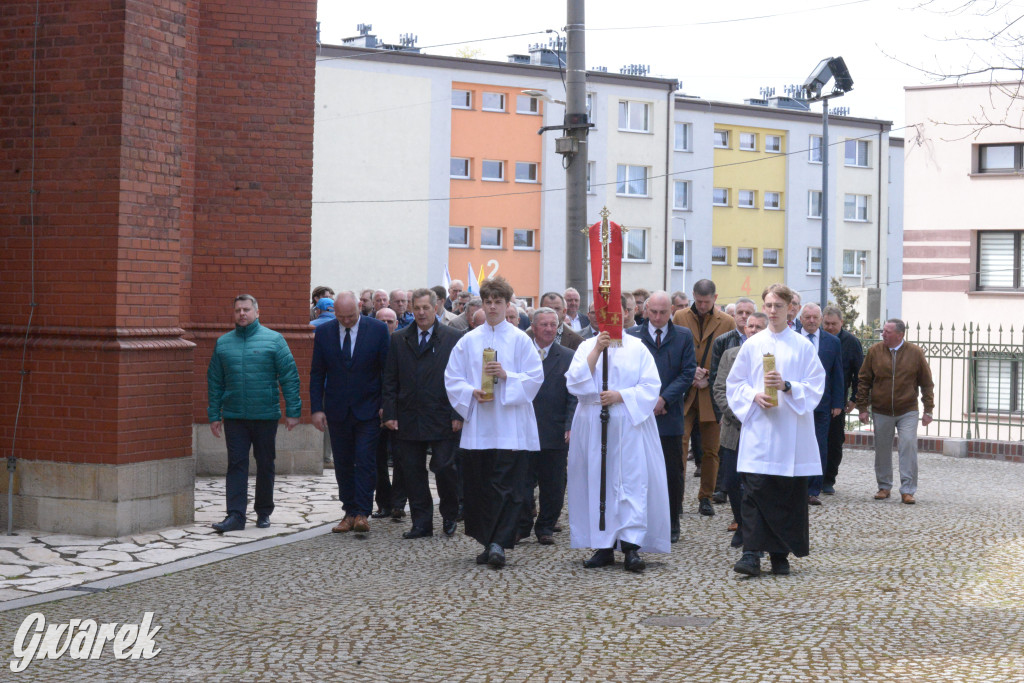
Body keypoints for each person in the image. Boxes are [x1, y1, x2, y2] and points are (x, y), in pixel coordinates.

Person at [444, 276, 544, 569]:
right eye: (487, 302)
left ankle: (500, 541)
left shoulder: (520, 339)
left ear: (507, 304)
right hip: (480, 426)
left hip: (510, 426)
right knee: (479, 486)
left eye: (497, 302)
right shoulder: (468, 340)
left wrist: (506, 375)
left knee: (507, 487)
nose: (491, 307)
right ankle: (487, 541)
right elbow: (452, 378)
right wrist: (470, 392)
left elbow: (535, 378)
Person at [726, 284, 825, 577]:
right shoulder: (752, 345)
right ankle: (751, 554)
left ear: (790, 308)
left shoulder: (802, 346)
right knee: (754, 492)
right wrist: (753, 396)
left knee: (786, 495)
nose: (772, 311)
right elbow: (735, 383)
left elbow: (815, 385)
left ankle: (780, 555)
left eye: (778, 306)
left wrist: (788, 386)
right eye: (768, 305)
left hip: (790, 432)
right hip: (759, 429)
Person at [567, 295, 669, 573]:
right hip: (593, 422)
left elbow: (650, 386)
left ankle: (631, 546)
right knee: (597, 480)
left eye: (614, 311)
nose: (608, 317)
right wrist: (597, 351)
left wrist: (620, 395)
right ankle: (603, 545)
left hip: (628, 423)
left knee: (630, 482)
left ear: (625, 313)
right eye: (602, 312)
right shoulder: (586, 346)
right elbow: (574, 382)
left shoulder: (637, 347)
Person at [207, 294, 301, 532]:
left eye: (246, 309)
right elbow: (215, 381)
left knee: (265, 463)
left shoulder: (274, 340)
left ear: (257, 312)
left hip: (265, 415)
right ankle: (235, 515)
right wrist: (214, 415)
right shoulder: (223, 343)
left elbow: (289, 377)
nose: (242, 314)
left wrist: (293, 411)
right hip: (235, 416)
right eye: (238, 310)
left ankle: (263, 512)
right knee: (236, 464)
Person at [382, 288, 463, 539]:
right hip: (409, 415)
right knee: (412, 471)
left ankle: (450, 515)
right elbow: (390, 379)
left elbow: (461, 379)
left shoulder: (453, 337)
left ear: (436, 308)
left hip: (442, 415)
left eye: (425, 308)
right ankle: (421, 522)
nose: (421, 313)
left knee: (445, 468)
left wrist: (458, 413)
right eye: (416, 308)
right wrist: (389, 413)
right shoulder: (399, 338)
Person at [310, 291, 390, 534]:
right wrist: (317, 409)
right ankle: (349, 511)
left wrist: (386, 405)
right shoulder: (324, 332)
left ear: (360, 306)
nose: (346, 321)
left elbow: (387, 371)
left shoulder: (377, 330)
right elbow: (317, 373)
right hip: (337, 410)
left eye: (351, 316)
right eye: (341, 317)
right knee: (343, 463)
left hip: (369, 408)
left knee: (365, 460)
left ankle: (363, 513)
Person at [625, 291, 696, 544]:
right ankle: (637, 521)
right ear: (645, 311)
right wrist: (646, 400)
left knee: (671, 471)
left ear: (671, 312)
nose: (657, 317)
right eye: (653, 312)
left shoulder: (683, 336)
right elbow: (627, 372)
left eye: (663, 312)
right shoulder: (632, 336)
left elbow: (687, 372)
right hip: (637, 413)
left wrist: (664, 399)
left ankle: (672, 520)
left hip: (669, 414)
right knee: (636, 470)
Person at [672, 279, 736, 517]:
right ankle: (676, 497)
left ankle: (706, 497)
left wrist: (709, 376)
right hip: (686, 392)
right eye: (698, 301)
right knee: (679, 445)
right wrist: (690, 374)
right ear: (693, 296)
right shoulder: (680, 317)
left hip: (712, 394)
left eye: (706, 302)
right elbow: (674, 350)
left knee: (711, 450)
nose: (701, 306)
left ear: (715, 299)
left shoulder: (727, 321)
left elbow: (730, 358)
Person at [856, 319, 934, 505]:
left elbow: (926, 383)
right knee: (882, 448)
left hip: (908, 409)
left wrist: (928, 409)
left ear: (900, 335)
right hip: (881, 409)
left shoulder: (915, 353)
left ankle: (907, 490)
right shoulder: (875, 351)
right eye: (883, 331)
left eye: (887, 332)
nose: (883, 334)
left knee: (908, 445)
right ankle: (884, 487)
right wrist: (862, 407)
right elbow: (864, 380)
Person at [516, 307, 577, 545]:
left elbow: (573, 395)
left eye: (554, 325)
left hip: (554, 429)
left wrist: (570, 424)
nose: (549, 329)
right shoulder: (521, 354)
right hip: (524, 428)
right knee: (522, 481)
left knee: (554, 483)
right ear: (533, 327)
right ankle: (522, 525)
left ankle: (546, 526)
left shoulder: (568, 356)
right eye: (544, 324)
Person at [714, 312, 768, 548]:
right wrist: (740, 414)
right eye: (750, 326)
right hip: (734, 429)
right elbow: (720, 389)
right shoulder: (730, 355)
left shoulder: (771, 357)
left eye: (758, 327)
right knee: (732, 481)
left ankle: (756, 530)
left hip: (761, 429)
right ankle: (741, 523)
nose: (753, 330)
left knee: (757, 483)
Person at [799, 303, 846, 505]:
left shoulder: (832, 342)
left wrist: (838, 402)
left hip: (822, 404)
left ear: (820, 319)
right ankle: (795, 487)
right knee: (797, 445)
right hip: (796, 402)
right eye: (807, 317)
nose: (811, 321)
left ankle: (813, 489)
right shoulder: (792, 338)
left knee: (819, 446)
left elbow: (837, 373)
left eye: (815, 317)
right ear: (801, 319)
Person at [821, 306, 864, 494]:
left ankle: (828, 479)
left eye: (834, 324)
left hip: (838, 400)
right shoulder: (817, 339)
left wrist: (855, 399)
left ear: (841, 323)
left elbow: (859, 374)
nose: (830, 327)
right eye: (827, 323)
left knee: (834, 441)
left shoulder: (851, 342)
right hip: (816, 398)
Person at [371, 306, 405, 520]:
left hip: (401, 410)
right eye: (381, 321)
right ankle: (384, 502)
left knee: (402, 459)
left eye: (389, 321)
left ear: (396, 324)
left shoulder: (403, 343)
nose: (385, 325)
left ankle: (399, 503)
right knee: (378, 460)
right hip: (375, 410)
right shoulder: (370, 345)